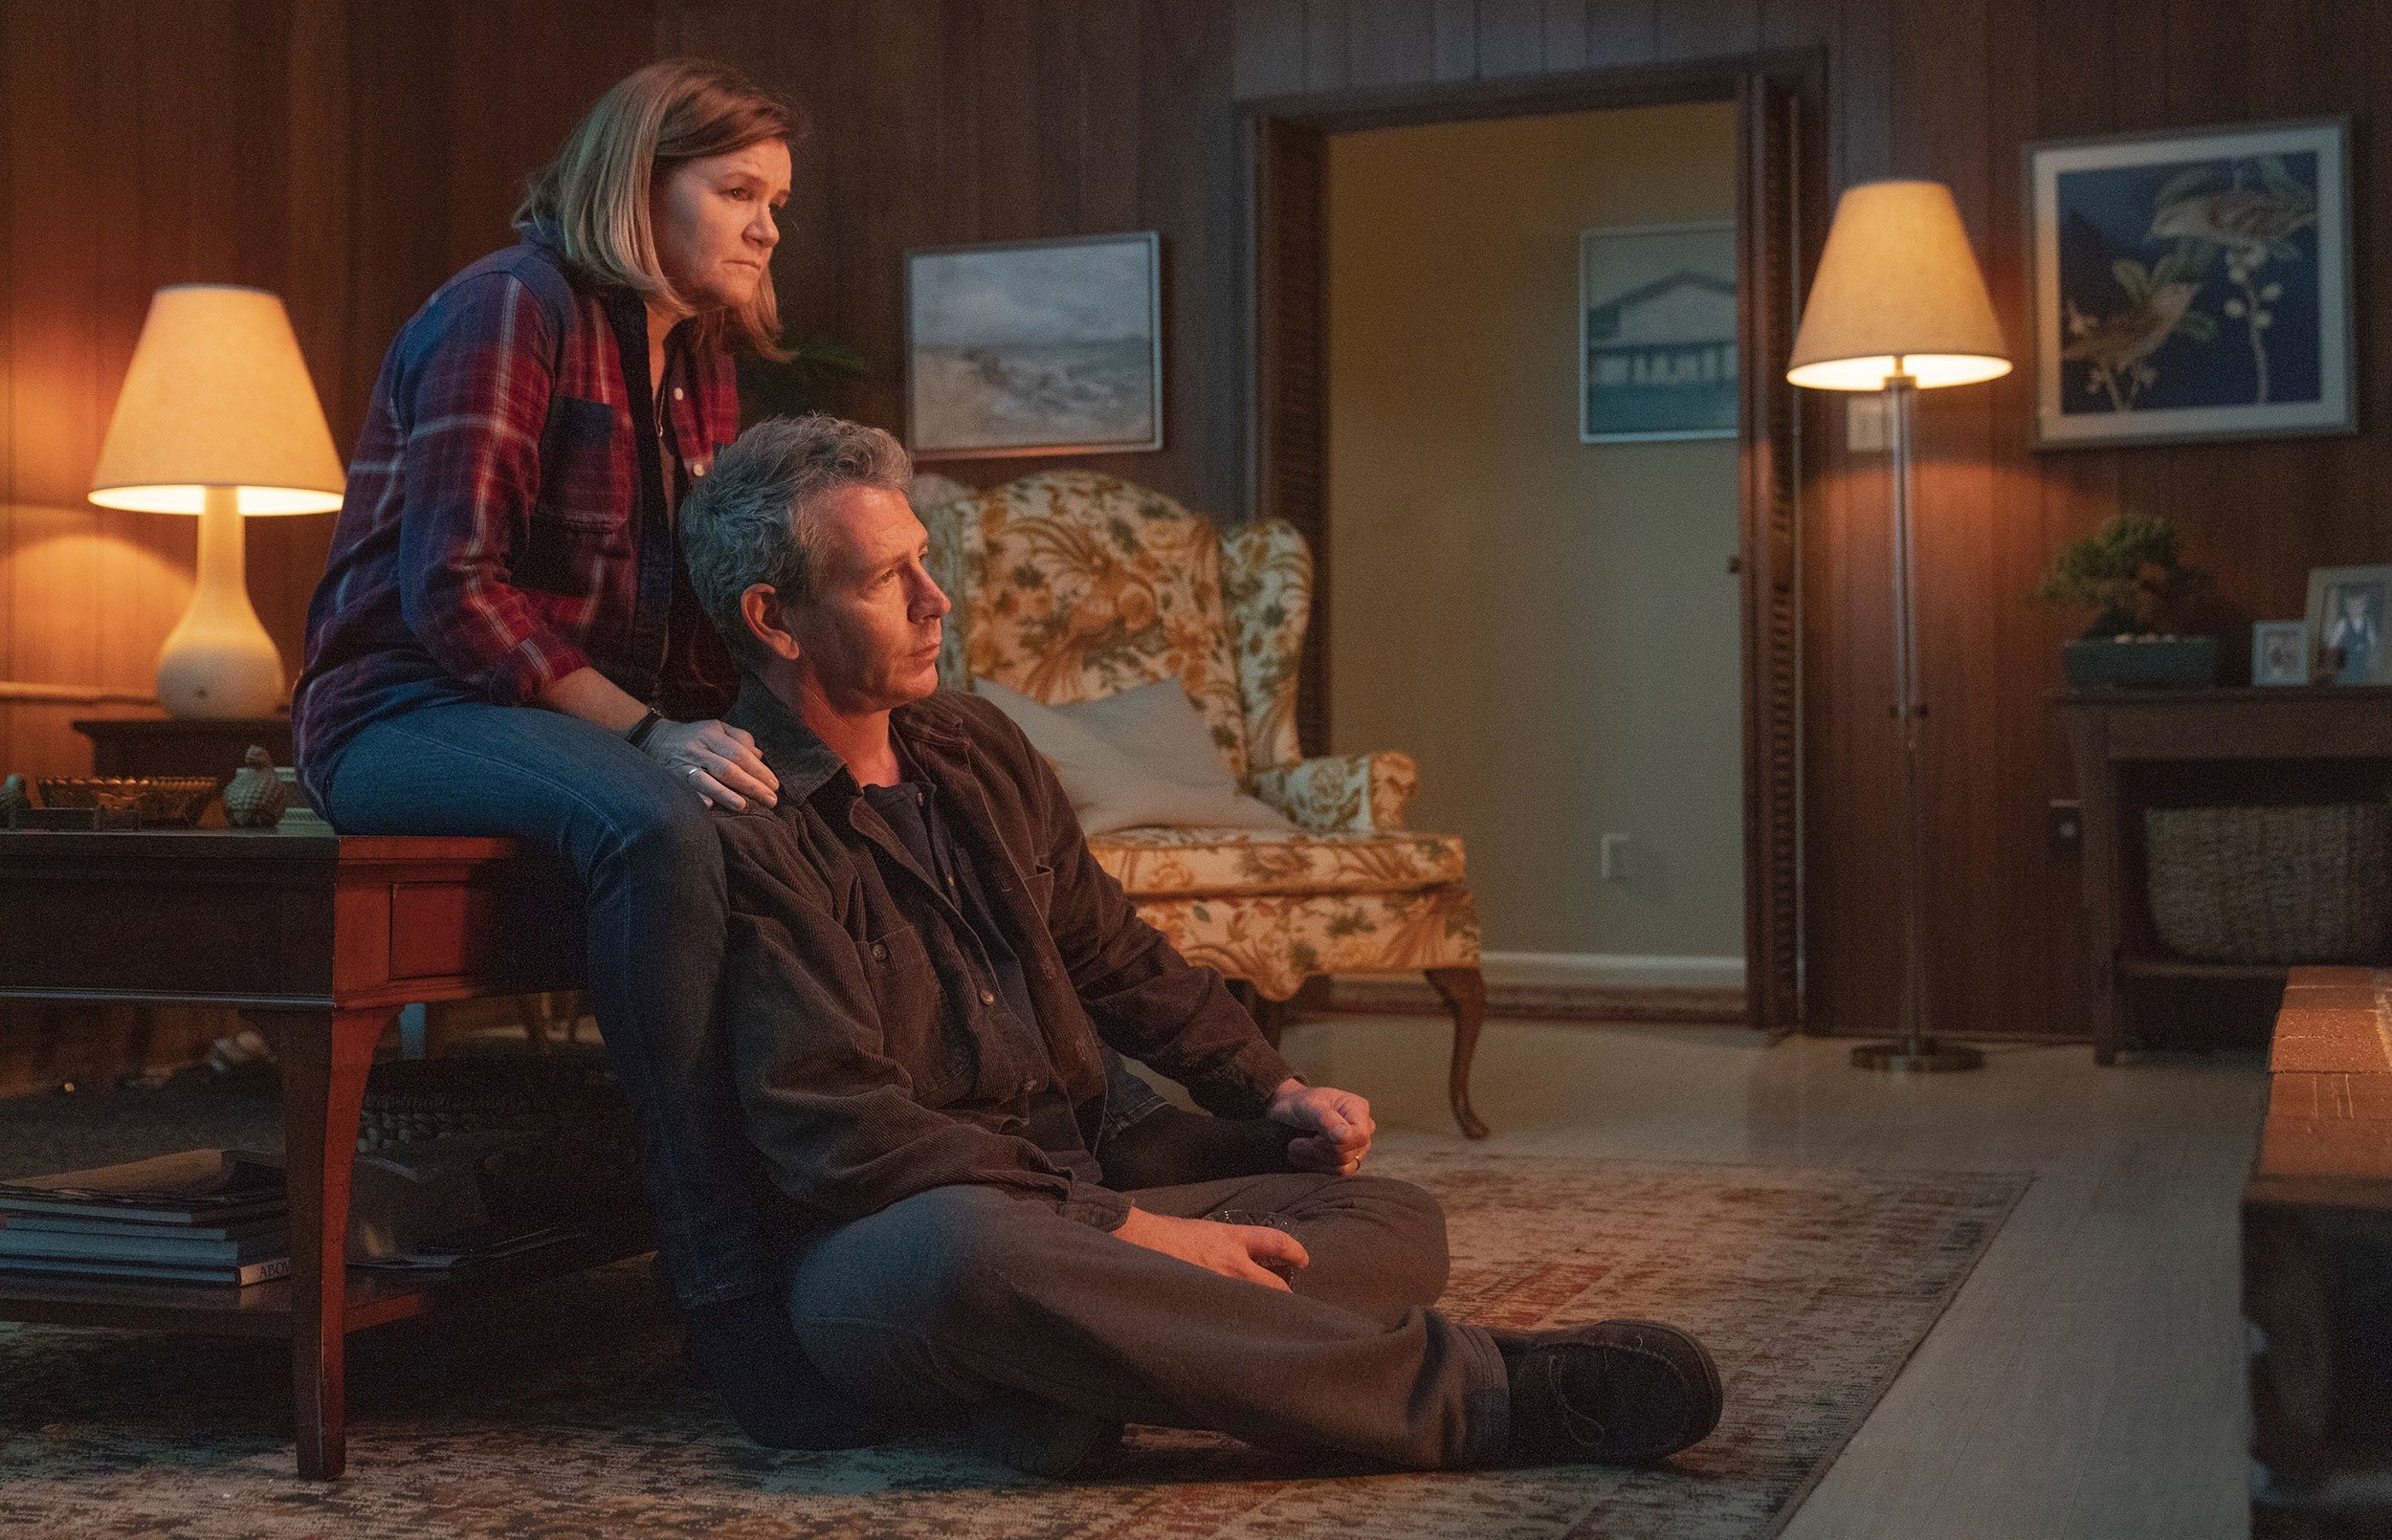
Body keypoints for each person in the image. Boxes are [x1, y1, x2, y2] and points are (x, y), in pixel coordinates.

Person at [677, 413, 1724, 1475]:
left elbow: (1114, 955)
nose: (934, 598)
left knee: (1391, 1216)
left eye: (925, 561)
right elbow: (843, 1134)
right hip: (891, 1245)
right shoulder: (745, 821)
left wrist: (1274, 1089)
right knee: (975, 1257)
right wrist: (1131, 1234)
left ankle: (1067, 1370)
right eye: (885, 578)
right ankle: (1481, 1394)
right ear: (775, 618)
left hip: (1082, 1200)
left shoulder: (974, 743)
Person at [289, 60, 839, 1444]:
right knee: (657, 823)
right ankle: (722, 1293)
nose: (767, 226)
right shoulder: (507, 308)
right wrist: (656, 736)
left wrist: (806, 724)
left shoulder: (696, 363)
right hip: (404, 710)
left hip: (567, 716)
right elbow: (455, 594)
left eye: (777, 202)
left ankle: (865, 1228)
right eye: (738, 191)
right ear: (638, 180)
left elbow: (696, 619)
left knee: (849, 793)